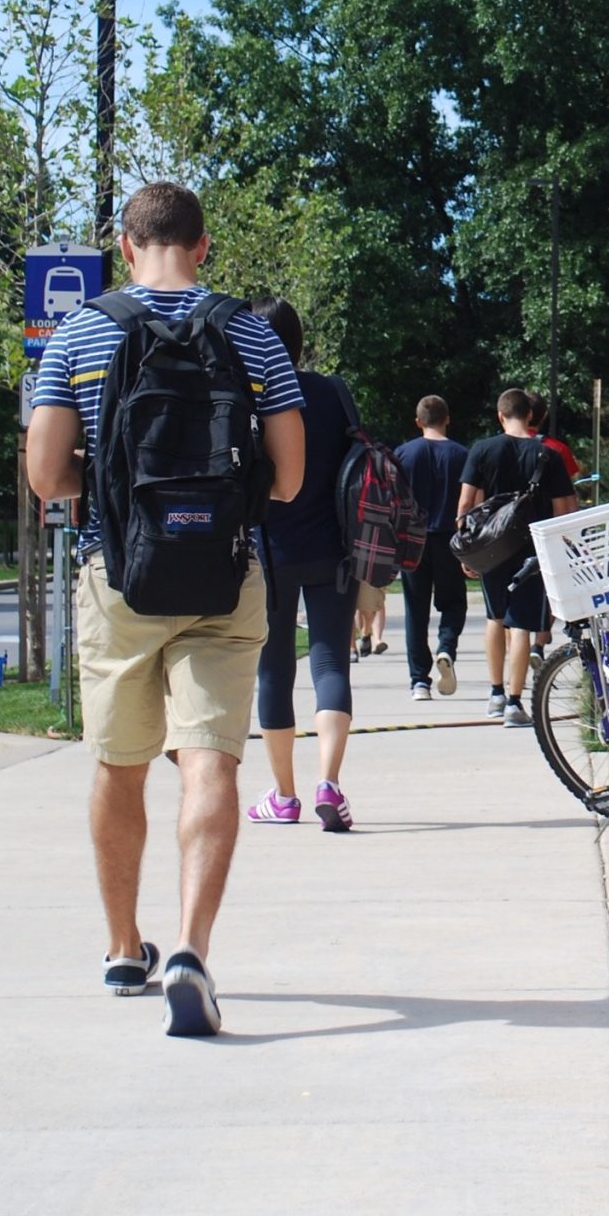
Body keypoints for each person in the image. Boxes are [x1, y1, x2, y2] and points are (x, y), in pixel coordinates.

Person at [28, 181, 306, 1038]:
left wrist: (117, 503)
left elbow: (46, 475)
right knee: (210, 759)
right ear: (204, 244)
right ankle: (190, 948)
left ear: (123, 245)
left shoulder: (80, 330)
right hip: (225, 575)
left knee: (118, 764)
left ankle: (123, 947)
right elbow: (288, 480)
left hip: (117, 576)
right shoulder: (250, 332)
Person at [244, 298, 362, 835]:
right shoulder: (332, 391)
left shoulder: (247, 396)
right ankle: (329, 783)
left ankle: (284, 795)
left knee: (274, 670)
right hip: (333, 549)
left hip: (267, 553)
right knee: (331, 664)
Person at [457, 387, 576, 726]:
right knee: (521, 624)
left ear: (500, 415)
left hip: (491, 547)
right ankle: (513, 702)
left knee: (495, 617)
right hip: (532, 550)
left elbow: (466, 503)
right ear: (530, 416)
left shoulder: (482, 450)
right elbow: (563, 508)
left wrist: (466, 547)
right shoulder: (548, 456)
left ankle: (494, 694)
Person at [395, 393, 468, 701]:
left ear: (418, 421)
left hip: (413, 540)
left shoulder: (403, 454)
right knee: (453, 603)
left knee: (416, 609)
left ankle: (419, 681)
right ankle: (446, 646)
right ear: (447, 418)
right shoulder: (462, 455)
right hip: (449, 538)